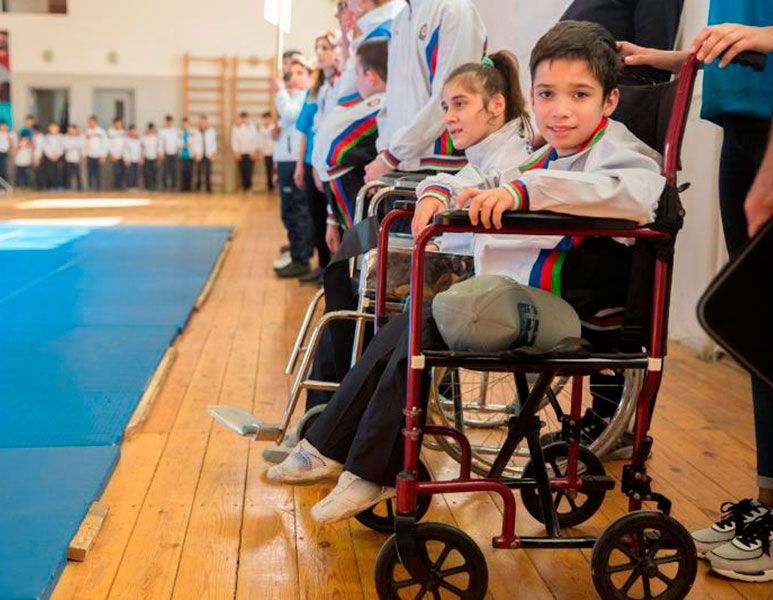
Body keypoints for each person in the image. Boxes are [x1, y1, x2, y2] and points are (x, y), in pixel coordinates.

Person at [268, 21, 665, 525]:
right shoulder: (545, 152)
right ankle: (345, 454)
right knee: (418, 312)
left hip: (581, 317)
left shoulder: (620, 152)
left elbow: (637, 195)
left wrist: (528, 192)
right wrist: (438, 192)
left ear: (609, 102)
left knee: (438, 310)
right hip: (528, 298)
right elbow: (476, 177)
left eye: (579, 95)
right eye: (546, 94)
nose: (559, 109)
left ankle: (355, 461)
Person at [620, 3, 773, 582]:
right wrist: (677, 58)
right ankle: (770, 503)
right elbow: (744, 39)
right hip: (744, 127)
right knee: (759, 331)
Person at [363, 0, 487, 182]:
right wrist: (384, 153)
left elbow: (450, 99)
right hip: (399, 162)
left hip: (442, 163)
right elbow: (392, 100)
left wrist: (392, 155)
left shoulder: (454, 9)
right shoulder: (400, 20)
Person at [313, 39, 388, 253]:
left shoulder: (384, 105)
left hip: (360, 197)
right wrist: (330, 217)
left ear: (370, 77)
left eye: (356, 74)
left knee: (368, 257)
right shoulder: (362, 105)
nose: (354, 81)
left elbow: (334, 154)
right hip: (342, 198)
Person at [294, 29, 341, 280]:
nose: (321, 53)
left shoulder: (341, 84)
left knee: (333, 218)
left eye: (326, 47)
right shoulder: (315, 91)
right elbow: (305, 130)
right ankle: (323, 265)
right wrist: (301, 164)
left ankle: (334, 270)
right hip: (314, 161)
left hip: (332, 163)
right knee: (317, 216)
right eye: (318, 48)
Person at [274, 56, 314, 278]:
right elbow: (283, 130)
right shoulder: (291, 97)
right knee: (289, 211)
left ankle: (301, 257)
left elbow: (292, 115)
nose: (294, 77)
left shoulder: (303, 98)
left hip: (294, 161)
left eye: (300, 72)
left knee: (297, 211)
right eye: (292, 73)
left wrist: (280, 92)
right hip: (285, 160)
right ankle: (297, 251)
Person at [230, 111, 259, 194]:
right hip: (240, 152)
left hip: (250, 152)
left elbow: (255, 139)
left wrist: (254, 151)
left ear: (247, 118)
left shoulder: (252, 127)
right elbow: (234, 140)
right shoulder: (236, 127)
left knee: (249, 170)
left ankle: (249, 188)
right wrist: (235, 151)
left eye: (245, 118)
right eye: (242, 118)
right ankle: (243, 187)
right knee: (242, 170)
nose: (243, 120)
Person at [36, 122, 64, 189]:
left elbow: (62, 147)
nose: (54, 129)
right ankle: (51, 186)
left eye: (55, 128)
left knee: (59, 172)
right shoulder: (46, 137)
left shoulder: (61, 137)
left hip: (59, 157)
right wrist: (51, 155)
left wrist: (57, 154)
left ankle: (59, 185)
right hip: (49, 158)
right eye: (52, 128)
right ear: (49, 129)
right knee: (50, 172)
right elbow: (45, 147)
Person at [84, 115, 108, 191]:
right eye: (89, 122)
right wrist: (84, 155)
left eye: (91, 122)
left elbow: (105, 144)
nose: (90, 123)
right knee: (89, 173)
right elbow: (84, 144)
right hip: (89, 155)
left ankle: (98, 189)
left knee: (98, 173)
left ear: (95, 122)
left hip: (98, 155)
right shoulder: (86, 131)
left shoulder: (101, 131)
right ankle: (90, 188)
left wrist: (103, 155)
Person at [196, 114, 218, 193]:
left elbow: (214, 143)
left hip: (208, 154)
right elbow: (195, 143)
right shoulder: (196, 132)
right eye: (201, 122)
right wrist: (196, 154)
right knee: (199, 172)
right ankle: (198, 188)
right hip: (199, 155)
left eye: (204, 122)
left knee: (208, 172)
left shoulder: (211, 131)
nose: (203, 123)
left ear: (206, 122)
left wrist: (213, 154)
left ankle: (208, 189)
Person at [159, 115, 181, 190]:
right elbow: (161, 143)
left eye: (170, 121)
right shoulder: (162, 131)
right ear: (166, 122)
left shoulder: (176, 130)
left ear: (172, 122)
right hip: (166, 153)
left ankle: (174, 186)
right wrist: (161, 153)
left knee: (174, 170)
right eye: (168, 121)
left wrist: (178, 151)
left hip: (174, 153)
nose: (169, 123)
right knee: (165, 171)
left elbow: (178, 142)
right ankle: (165, 186)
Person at [258, 112, 276, 192]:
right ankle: (270, 187)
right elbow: (260, 141)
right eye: (264, 119)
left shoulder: (274, 128)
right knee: (268, 170)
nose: (266, 120)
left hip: (274, 152)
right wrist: (261, 152)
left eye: (267, 118)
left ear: (270, 119)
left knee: (275, 170)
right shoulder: (261, 129)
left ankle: (276, 186)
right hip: (266, 152)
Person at [62, 124, 84, 190]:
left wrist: (81, 157)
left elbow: (80, 148)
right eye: (69, 130)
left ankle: (80, 188)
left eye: (72, 130)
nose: (71, 131)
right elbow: (65, 147)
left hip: (77, 159)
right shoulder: (65, 137)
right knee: (68, 174)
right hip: (68, 158)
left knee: (78, 174)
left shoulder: (79, 138)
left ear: (76, 130)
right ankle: (68, 188)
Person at [108, 117, 127, 190]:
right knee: (117, 172)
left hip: (123, 155)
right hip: (115, 155)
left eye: (120, 123)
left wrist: (125, 156)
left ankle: (122, 186)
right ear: (114, 124)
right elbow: (109, 144)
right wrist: (112, 154)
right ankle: (116, 187)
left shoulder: (124, 132)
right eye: (117, 123)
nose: (119, 125)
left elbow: (125, 144)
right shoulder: (110, 132)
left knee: (123, 172)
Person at [123, 125, 142, 190]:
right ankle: (129, 186)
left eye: (135, 131)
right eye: (132, 131)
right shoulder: (127, 140)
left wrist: (140, 158)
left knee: (136, 174)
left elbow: (140, 150)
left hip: (137, 159)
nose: (134, 132)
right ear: (130, 132)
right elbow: (125, 150)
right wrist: (126, 159)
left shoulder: (138, 141)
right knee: (130, 174)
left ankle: (135, 187)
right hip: (129, 160)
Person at [142, 122, 160, 191]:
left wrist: (158, 155)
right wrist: (142, 157)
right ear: (148, 129)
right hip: (147, 157)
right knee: (147, 173)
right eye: (150, 129)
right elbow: (142, 148)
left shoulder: (156, 138)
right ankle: (147, 187)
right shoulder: (144, 137)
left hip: (154, 157)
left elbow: (158, 147)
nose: (151, 131)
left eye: (152, 129)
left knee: (154, 172)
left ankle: (154, 186)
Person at [179, 117, 195, 191]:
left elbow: (194, 142)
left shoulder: (192, 132)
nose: (185, 125)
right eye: (183, 124)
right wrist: (184, 144)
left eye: (186, 124)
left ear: (188, 124)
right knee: (183, 172)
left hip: (190, 155)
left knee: (189, 172)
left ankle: (189, 188)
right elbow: (178, 143)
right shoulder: (179, 133)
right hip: (182, 155)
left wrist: (188, 144)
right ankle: (183, 188)